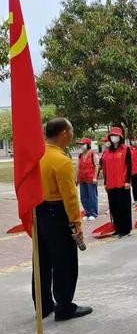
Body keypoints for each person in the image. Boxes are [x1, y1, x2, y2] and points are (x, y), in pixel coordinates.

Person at [35, 117, 92, 321]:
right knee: (64, 261)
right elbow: (70, 198)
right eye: (71, 131)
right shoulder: (62, 161)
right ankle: (64, 307)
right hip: (57, 213)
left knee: (41, 260)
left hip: (39, 212)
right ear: (64, 134)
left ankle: (43, 305)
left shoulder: (36, 154)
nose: (72, 135)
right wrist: (77, 226)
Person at [101, 126, 132, 237]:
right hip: (111, 183)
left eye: (116, 135)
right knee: (114, 208)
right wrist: (105, 182)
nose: (114, 137)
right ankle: (118, 228)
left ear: (120, 137)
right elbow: (103, 166)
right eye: (112, 135)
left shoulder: (125, 149)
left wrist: (128, 181)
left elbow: (129, 165)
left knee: (123, 207)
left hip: (122, 183)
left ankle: (126, 229)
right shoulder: (107, 151)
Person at [76, 138, 99, 220]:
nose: (81, 146)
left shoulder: (93, 154)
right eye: (80, 144)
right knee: (83, 197)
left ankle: (93, 213)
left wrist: (95, 177)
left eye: (83, 144)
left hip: (90, 178)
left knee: (92, 196)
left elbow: (97, 166)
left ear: (88, 145)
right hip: (82, 179)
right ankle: (87, 212)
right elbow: (78, 168)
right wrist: (77, 178)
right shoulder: (80, 155)